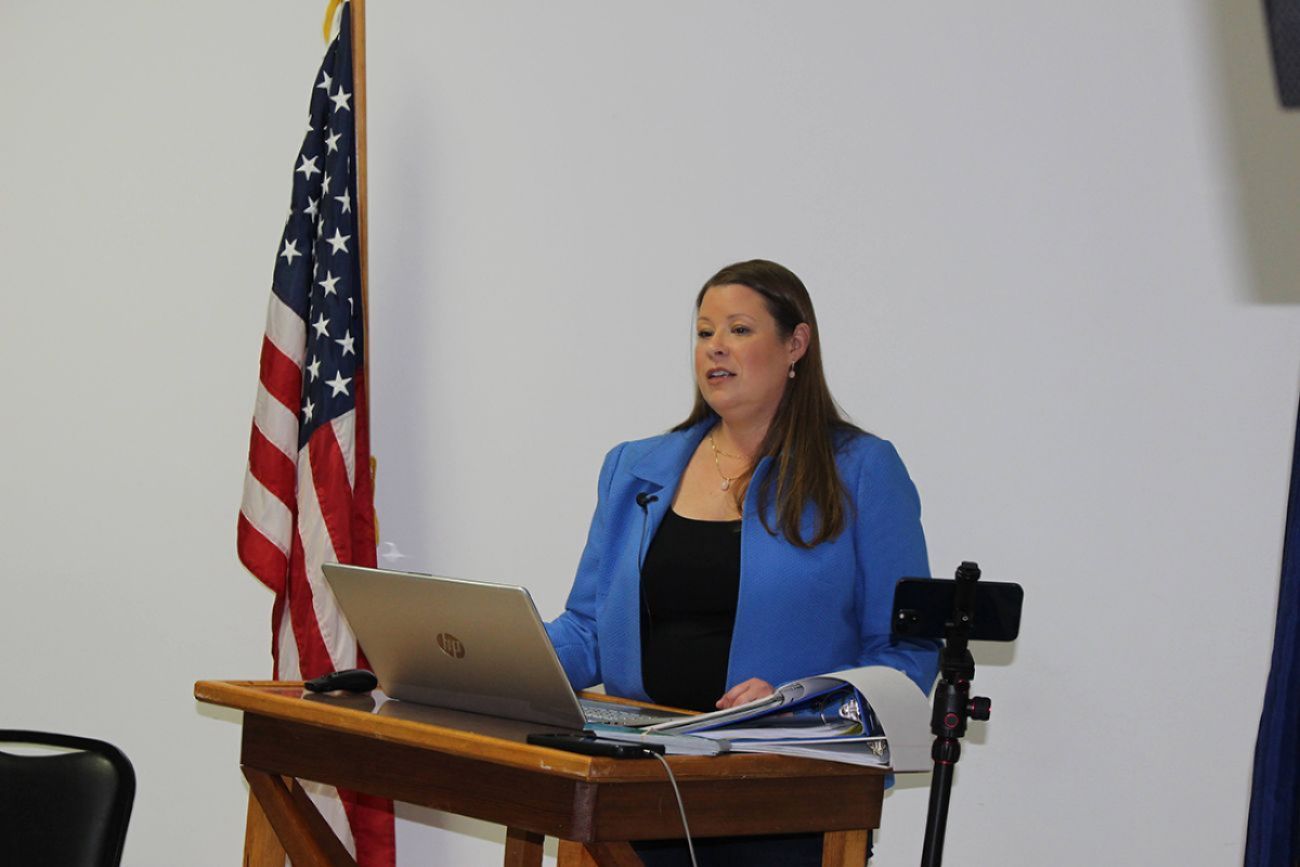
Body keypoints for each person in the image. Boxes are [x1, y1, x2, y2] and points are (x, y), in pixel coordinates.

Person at [545, 259, 939, 866]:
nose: (715, 349)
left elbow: (906, 651)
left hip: (784, 791)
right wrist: (493, 664)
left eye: (739, 330)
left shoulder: (860, 470)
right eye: (704, 333)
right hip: (637, 783)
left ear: (795, 345)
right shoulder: (635, 468)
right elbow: (590, 629)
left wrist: (797, 710)